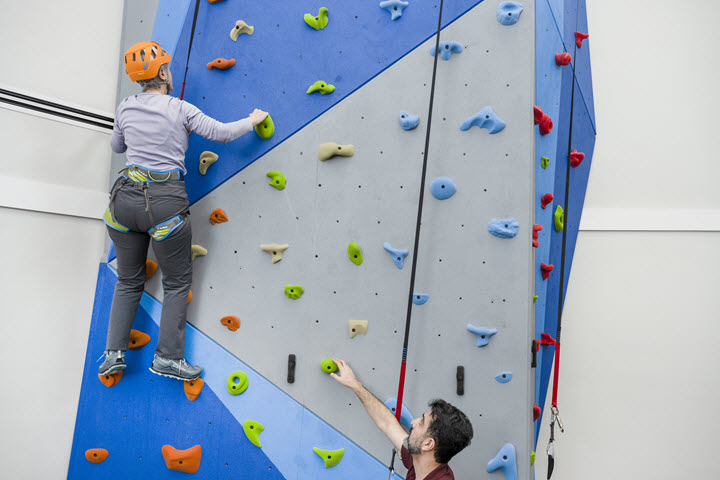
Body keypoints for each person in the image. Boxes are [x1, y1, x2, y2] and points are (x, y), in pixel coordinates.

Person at [98, 41, 268, 381]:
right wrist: (252, 120)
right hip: (164, 204)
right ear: (162, 73)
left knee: (128, 281)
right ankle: (168, 358)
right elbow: (220, 133)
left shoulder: (125, 107)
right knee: (176, 282)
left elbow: (117, 147)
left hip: (123, 203)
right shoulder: (181, 110)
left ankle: (113, 354)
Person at [330, 359, 473, 480]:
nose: (413, 423)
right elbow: (387, 424)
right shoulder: (421, 462)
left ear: (428, 444)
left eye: (421, 422)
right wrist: (356, 386)